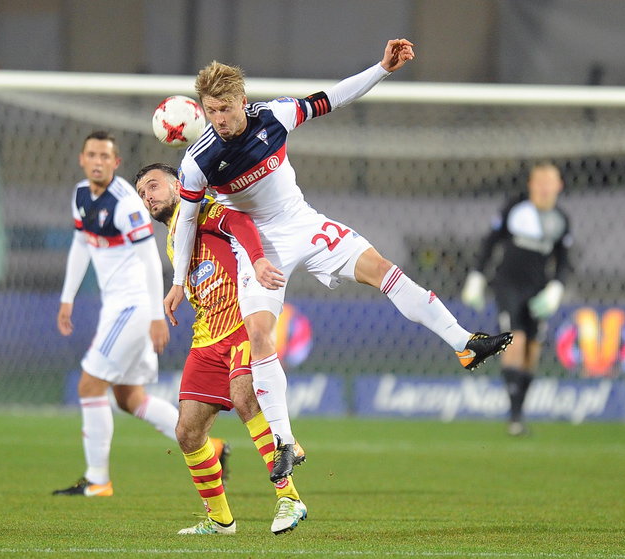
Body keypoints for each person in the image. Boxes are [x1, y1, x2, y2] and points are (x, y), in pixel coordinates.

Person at [165, 39, 513, 481]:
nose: (220, 119)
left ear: (242, 101)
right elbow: (191, 218)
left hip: (304, 224)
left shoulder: (274, 116)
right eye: (211, 111)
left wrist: (382, 68)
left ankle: (464, 343)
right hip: (257, 246)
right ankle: (284, 443)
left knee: (383, 270)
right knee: (259, 336)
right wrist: (178, 281)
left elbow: (333, 97)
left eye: (227, 108)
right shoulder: (198, 161)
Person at [53, 131, 227, 497]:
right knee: (128, 397)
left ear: (115, 163)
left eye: (105, 155)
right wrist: (67, 297)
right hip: (117, 306)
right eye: (92, 155)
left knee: (89, 386)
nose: (98, 161)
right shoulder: (81, 196)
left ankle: (98, 480)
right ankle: (212, 449)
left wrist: (153, 315)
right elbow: (81, 244)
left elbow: (150, 256)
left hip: (133, 306)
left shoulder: (126, 203)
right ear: (83, 160)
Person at [136, 163, 307, 535]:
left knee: (246, 399)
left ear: (179, 186)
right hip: (207, 337)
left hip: (243, 324)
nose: (148, 196)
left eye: (153, 186)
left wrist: (259, 260)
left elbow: (239, 223)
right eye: (142, 193)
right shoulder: (172, 236)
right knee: (187, 432)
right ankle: (220, 521)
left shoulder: (200, 209)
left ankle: (290, 498)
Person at [461, 162, 572, 436]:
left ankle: (519, 414)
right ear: (531, 185)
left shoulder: (561, 220)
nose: (545, 188)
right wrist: (476, 277)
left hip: (538, 291)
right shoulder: (514, 209)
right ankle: (514, 417)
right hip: (508, 285)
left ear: (559, 186)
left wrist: (556, 288)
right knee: (516, 340)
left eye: (551, 183)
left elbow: (563, 261)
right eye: (540, 182)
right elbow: (490, 242)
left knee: (532, 351)